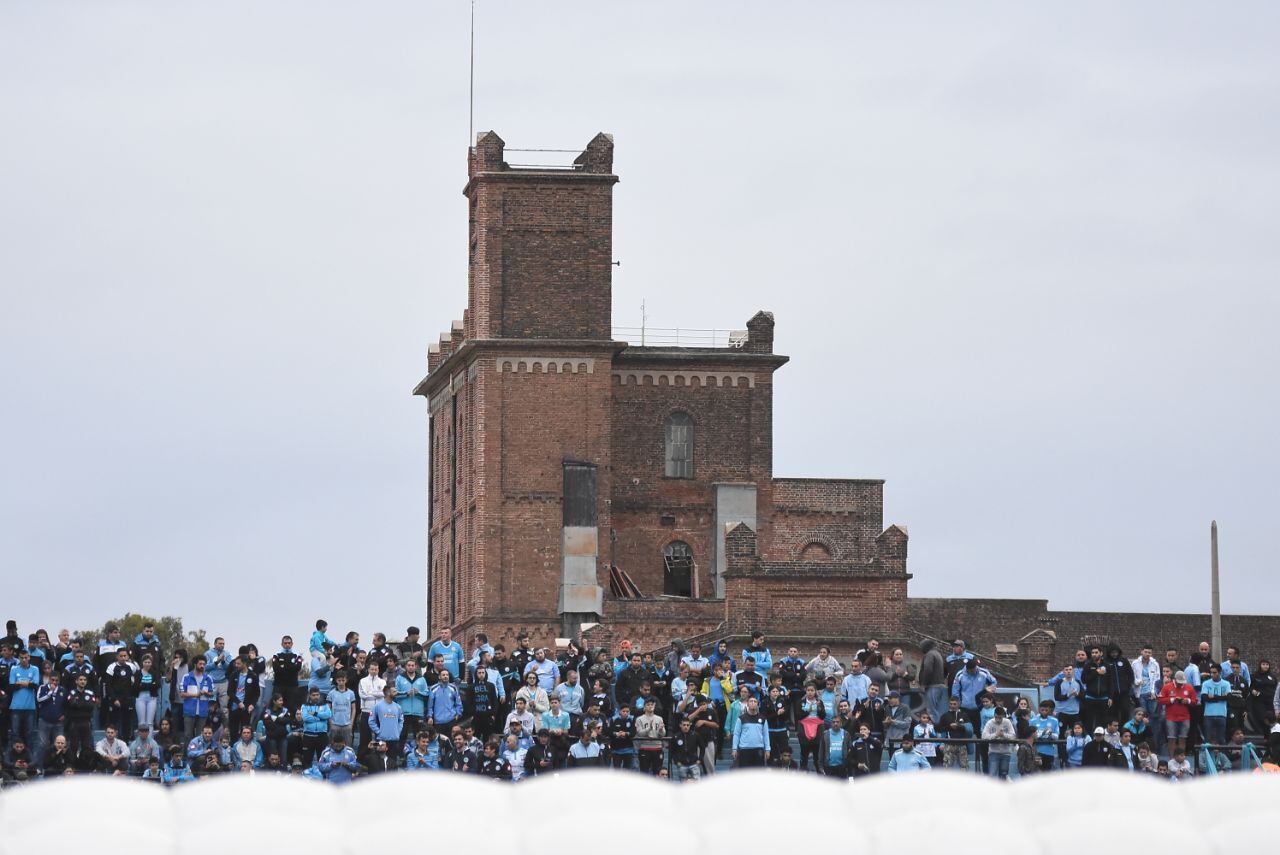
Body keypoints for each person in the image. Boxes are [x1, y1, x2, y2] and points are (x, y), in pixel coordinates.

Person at [1158, 670, 1197, 758]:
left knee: (1183, 739)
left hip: (1185, 717)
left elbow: (1195, 701)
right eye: (1179, 682)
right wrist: (1172, 699)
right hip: (1171, 718)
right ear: (1175, 679)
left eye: (1182, 682)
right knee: (1171, 739)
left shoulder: (1189, 687)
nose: (1180, 684)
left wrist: (1188, 701)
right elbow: (1160, 699)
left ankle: (1181, 759)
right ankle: (1172, 759)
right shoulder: (1167, 687)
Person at [180, 656, 215, 740]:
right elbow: (182, 694)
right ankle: (188, 753)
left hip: (203, 710)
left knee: (201, 736)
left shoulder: (208, 678)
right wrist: (195, 695)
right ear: (195, 664)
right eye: (200, 664)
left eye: (204, 664)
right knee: (188, 735)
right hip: (189, 710)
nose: (202, 666)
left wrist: (206, 693)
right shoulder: (186, 677)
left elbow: (212, 693)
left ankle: (200, 753)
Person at [370, 684, 405, 764]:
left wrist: (397, 732)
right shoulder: (377, 706)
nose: (396, 693)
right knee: (379, 762)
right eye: (394, 691)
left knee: (393, 763)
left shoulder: (398, 707)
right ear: (388, 693)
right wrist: (379, 732)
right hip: (381, 740)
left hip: (394, 740)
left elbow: (401, 721)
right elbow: (371, 721)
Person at [1200, 664, 1231, 747]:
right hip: (1208, 715)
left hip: (1221, 714)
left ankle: (1221, 757)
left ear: (1220, 672)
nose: (1212, 674)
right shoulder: (1206, 683)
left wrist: (1213, 697)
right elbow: (1204, 697)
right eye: (1211, 673)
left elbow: (1228, 697)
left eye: (1214, 672)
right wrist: (1221, 697)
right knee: (1208, 739)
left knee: (1221, 738)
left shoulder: (1226, 684)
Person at [982, 705, 1017, 779]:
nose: (998, 719)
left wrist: (1003, 735)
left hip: (1006, 753)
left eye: (1000, 718)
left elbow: (1013, 736)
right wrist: (996, 735)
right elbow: (984, 736)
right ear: (994, 715)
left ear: (1003, 716)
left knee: (1003, 775)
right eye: (996, 717)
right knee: (992, 775)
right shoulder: (990, 722)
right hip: (993, 752)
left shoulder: (1007, 722)